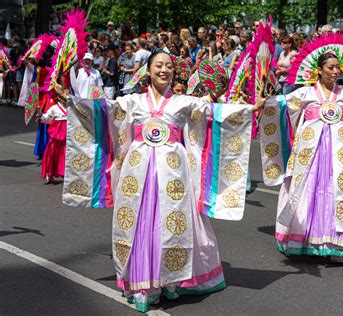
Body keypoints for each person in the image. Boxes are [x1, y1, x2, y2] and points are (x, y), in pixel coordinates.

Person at [55, 51, 258, 312]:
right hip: (137, 171)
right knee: (140, 224)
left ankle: (170, 280)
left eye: (169, 66)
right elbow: (104, 109)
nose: (164, 70)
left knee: (171, 222)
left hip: (173, 171)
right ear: (148, 70)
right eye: (159, 66)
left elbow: (215, 113)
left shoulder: (185, 102)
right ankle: (143, 286)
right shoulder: (133, 101)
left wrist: (252, 107)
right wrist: (69, 99)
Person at [257, 53, 343, 262]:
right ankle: (306, 239)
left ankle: (341, 242)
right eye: (330, 68)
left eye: (338, 67)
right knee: (310, 191)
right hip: (311, 153)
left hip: (340, 152)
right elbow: (280, 105)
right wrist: (264, 101)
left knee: (339, 190)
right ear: (319, 70)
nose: (335, 72)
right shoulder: (305, 93)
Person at [38, 100, 67, 184]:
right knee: (52, 155)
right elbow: (46, 119)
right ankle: (50, 174)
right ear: (59, 97)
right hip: (56, 136)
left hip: (68, 136)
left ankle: (67, 175)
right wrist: (40, 113)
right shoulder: (54, 108)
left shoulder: (71, 106)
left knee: (66, 156)